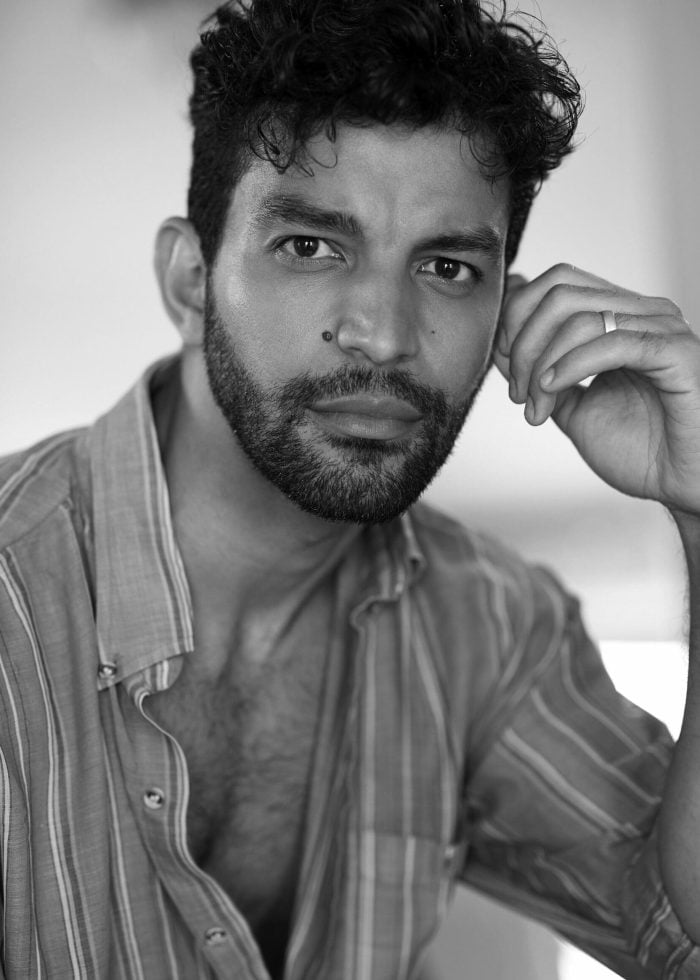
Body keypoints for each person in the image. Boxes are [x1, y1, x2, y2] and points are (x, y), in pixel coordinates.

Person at [1, 0, 699, 977]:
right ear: (190, 277)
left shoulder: (488, 624)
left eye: (448, 265)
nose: (382, 330)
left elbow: (681, 933)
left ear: (505, 310)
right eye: (311, 247)